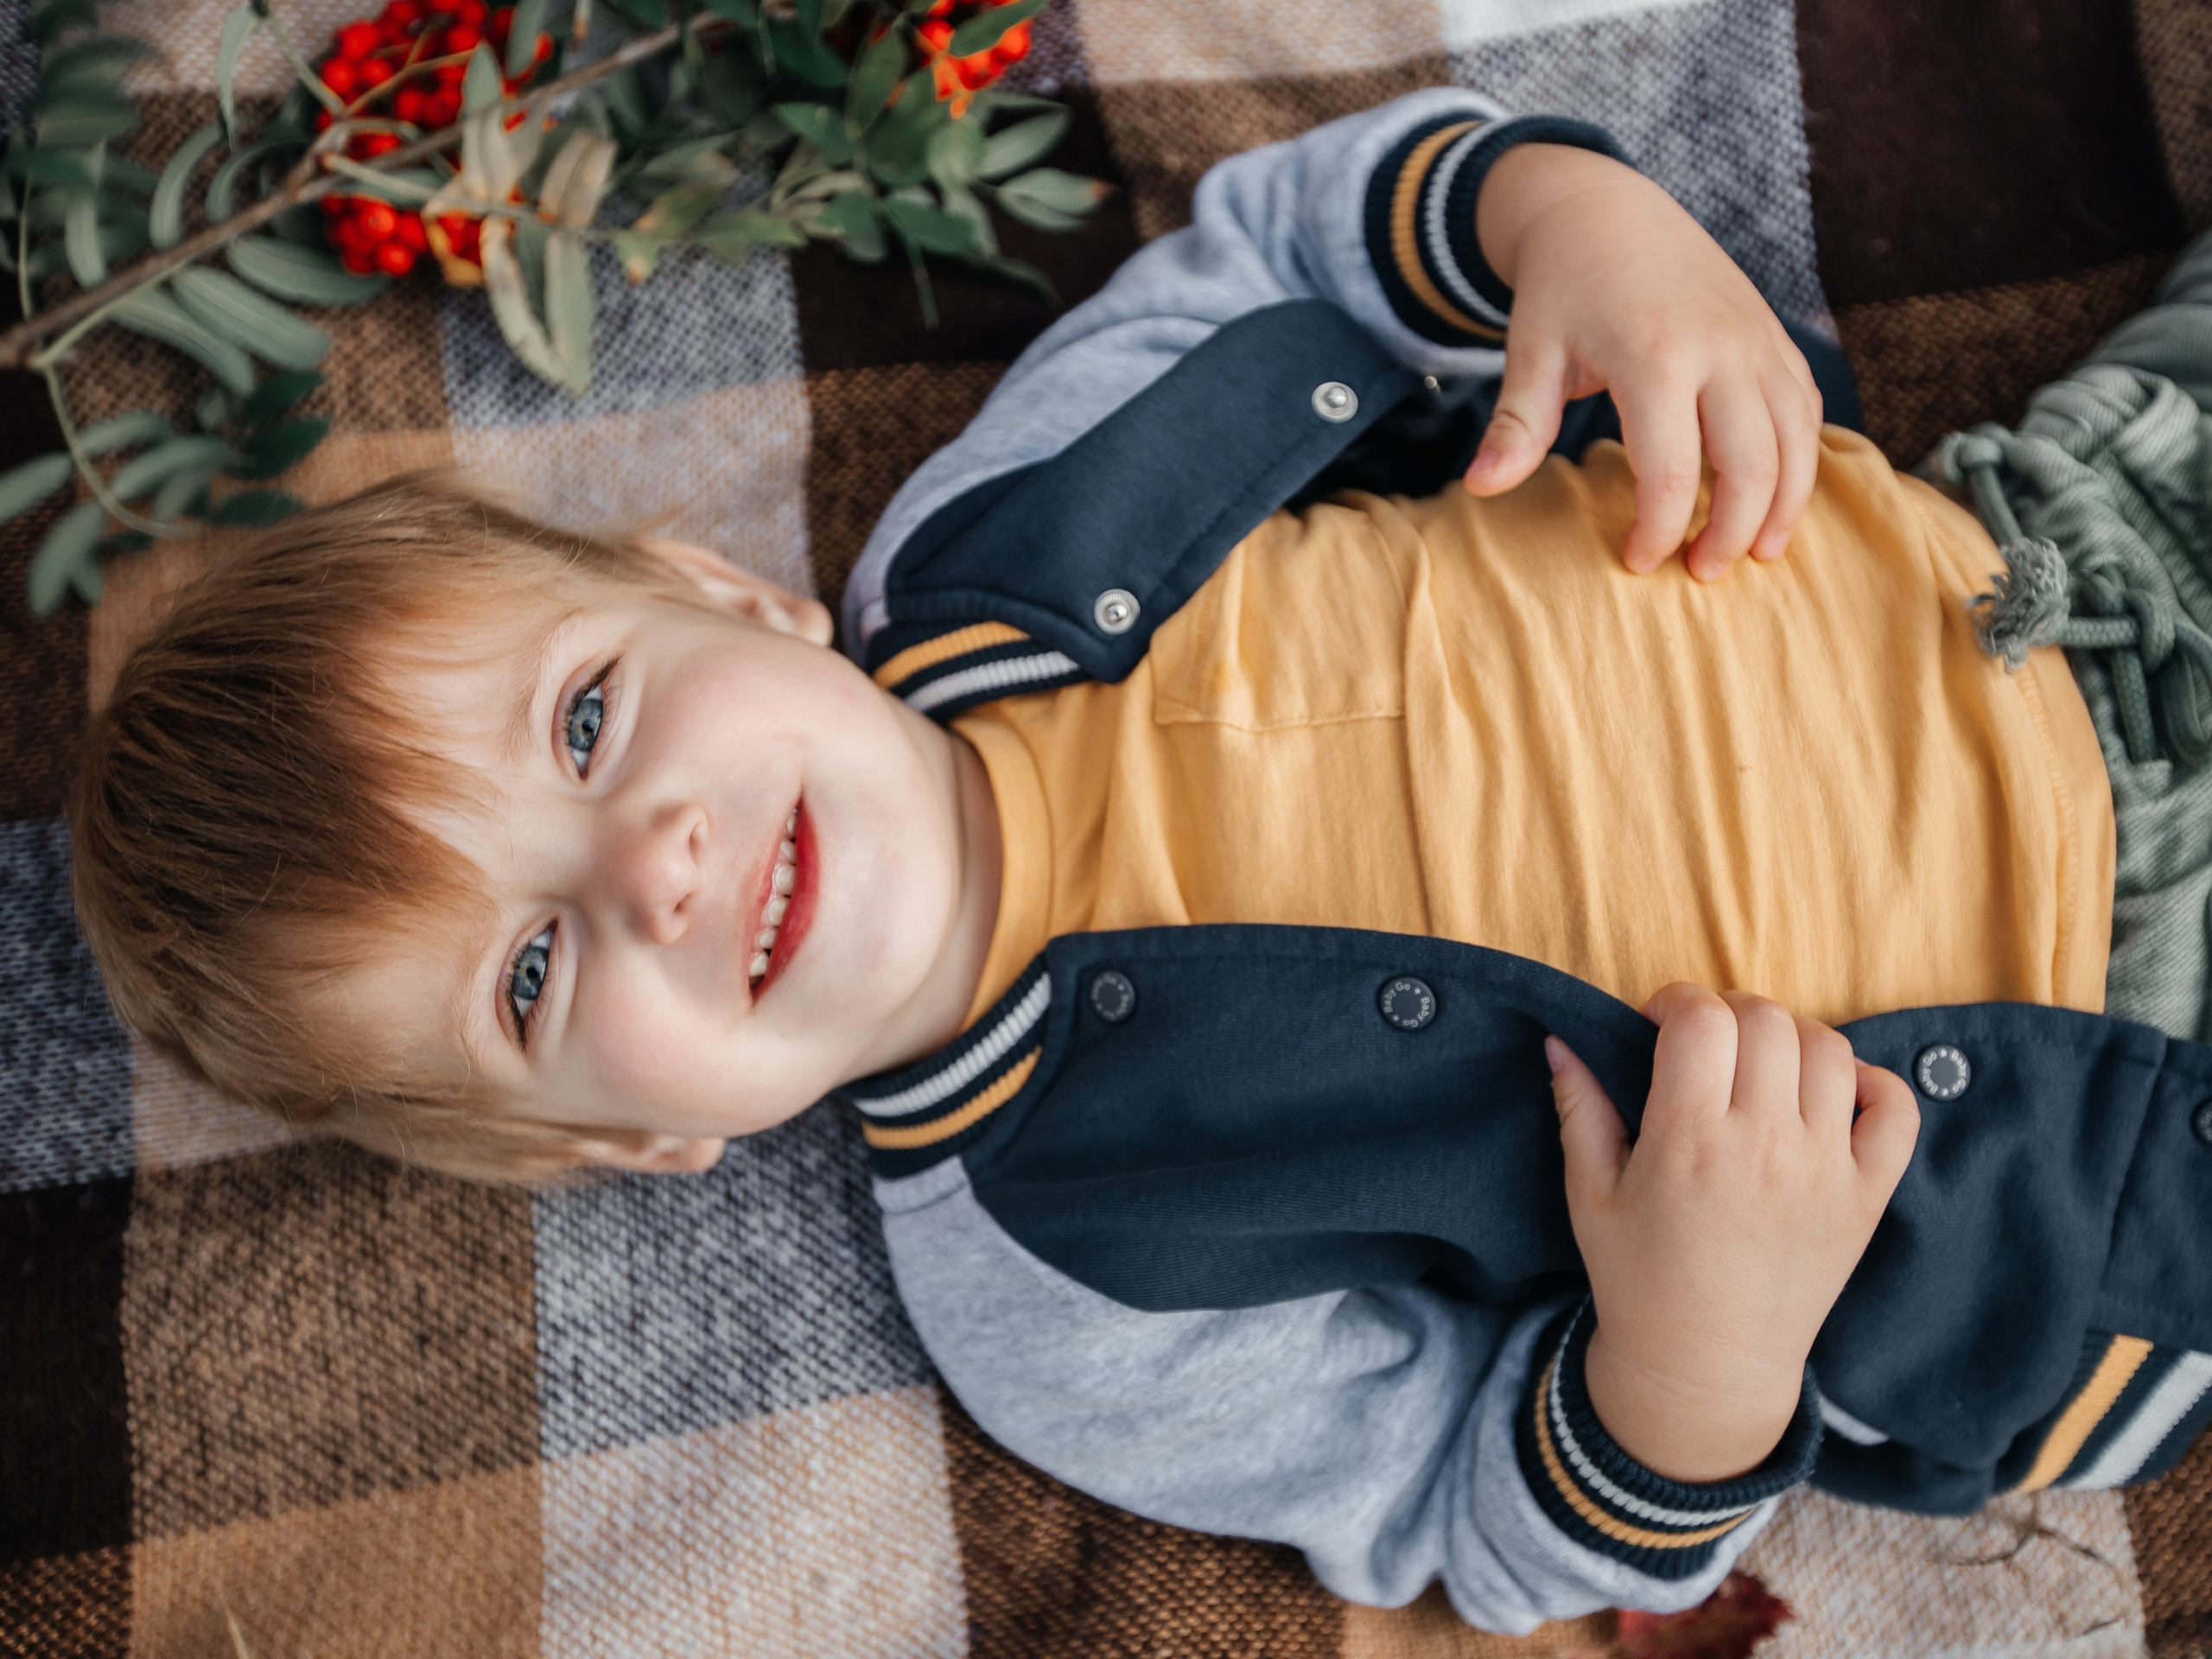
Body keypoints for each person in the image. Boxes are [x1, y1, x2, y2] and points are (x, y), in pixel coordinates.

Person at [68, 89, 2212, 1632]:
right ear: (623, 1142)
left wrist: (1578, 229)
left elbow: (1308, 245)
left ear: (722, 595)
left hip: (2056, 548)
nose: (653, 868)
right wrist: (1692, 1357)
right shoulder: (1057, 1282)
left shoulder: (998, 538)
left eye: (586, 723)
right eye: (534, 976)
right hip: (2080, 1136)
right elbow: (1486, 1530)